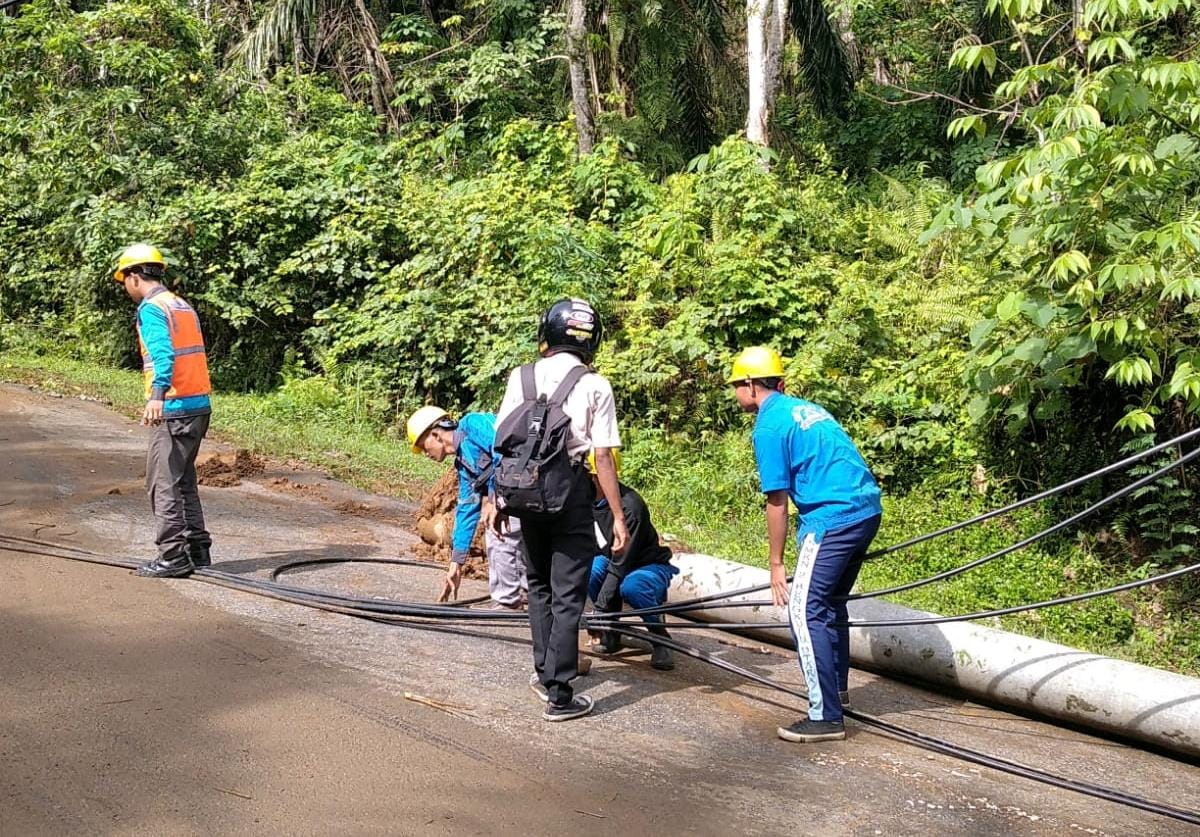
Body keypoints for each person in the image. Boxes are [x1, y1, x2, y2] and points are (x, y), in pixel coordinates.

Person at [729, 346, 882, 743]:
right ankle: (838, 692)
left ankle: (825, 715)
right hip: (866, 509)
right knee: (830, 604)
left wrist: (776, 563)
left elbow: (776, 501)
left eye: (735, 386)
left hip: (831, 519)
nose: (734, 394)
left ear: (749, 384)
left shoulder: (769, 426)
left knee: (804, 609)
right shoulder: (805, 409)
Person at [493, 298, 627, 722]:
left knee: (539, 585)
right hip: (569, 496)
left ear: (547, 334)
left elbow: (506, 441)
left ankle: (544, 671)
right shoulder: (595, 385)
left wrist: (501, 498)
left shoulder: (522, 376)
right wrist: (617, 515)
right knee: (569, 593)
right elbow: (601, 456)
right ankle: (560, 693)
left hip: (525, 492)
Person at [114, 244, 214, 578]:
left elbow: (163, 355)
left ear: (133, 276)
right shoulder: (180, 304)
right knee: (184, 480)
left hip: (174, 406)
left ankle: (173, 556)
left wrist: (157, 396)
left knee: (162, 483)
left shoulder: (152, 308)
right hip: (198, 405)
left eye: (124, 280)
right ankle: (198, 550)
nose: (125, 287)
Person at [406, 406, 528, 610]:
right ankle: (524, 597)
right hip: (517, 493)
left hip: (533, 482)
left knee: (497, 529)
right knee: (504, 530)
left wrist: (493, 497)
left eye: (423, 446)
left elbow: (504, 450)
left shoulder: (473, 424)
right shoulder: (464, 464)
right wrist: (457, 562)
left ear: (435, 434)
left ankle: (508, 603)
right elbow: (466, 509)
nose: (425, 453)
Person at [586, 450, 678, 671]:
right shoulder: (588, 502)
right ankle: (612, 631)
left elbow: (621, 564)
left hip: (646, 566)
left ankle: (660, 639)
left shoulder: (630, 507)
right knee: (589, 570)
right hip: (614, 562)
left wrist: (598, 609)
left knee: (633, 587)